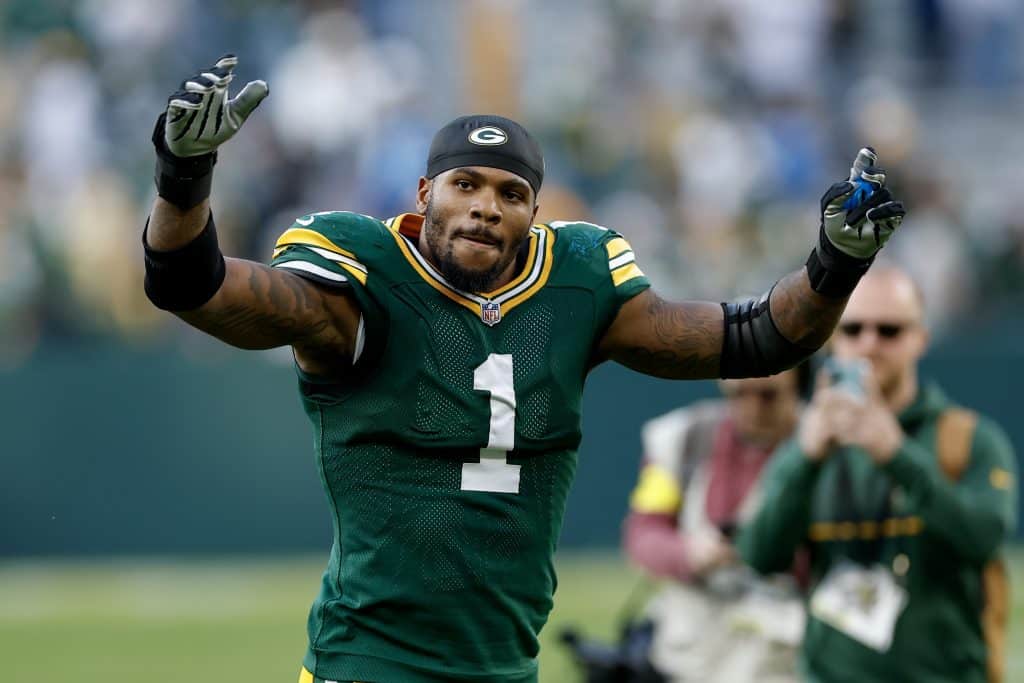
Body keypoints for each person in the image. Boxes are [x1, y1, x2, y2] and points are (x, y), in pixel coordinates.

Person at [142, 55, 905, 683]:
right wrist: (185, 175)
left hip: (507, 664)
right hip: (368, 662)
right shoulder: (363, 282)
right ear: (423, 196)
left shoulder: (577, 285)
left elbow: (759, 340)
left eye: (510, 193)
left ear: (533, 213)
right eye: (464, 184)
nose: (485, 206)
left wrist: (835, 263)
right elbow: (193, 285)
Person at [738, 266, 1017, 683]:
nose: (869, 343)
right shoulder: (811, 442)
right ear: (832, 339)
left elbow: (984, 537)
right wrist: (805, 459)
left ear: (920, 339)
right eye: (852, 329)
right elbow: (758, 554)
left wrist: (895, 454)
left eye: (889, 330)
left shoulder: (968, 438)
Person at [623, 368, 809, 683]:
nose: (752, 407)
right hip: (690, 655)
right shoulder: (684, 439)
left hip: (787, 656)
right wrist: (690, 553)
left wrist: (765, 549)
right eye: (739, 394)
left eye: (768, 395)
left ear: (799, 387)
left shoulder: (825, 446)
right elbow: (642, 534)